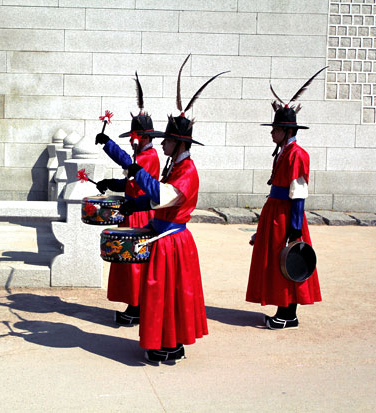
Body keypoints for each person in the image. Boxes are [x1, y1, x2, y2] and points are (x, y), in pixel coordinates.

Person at [98, 58, 227, 364]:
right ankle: (166, 343)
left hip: (171, 239)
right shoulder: (176, 165)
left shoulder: (187, 170)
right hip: (164, 236)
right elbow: (157, 200)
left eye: (167, 139)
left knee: (166, 294)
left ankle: (169, 344)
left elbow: (162, 194)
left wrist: (132, 169)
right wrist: (135, 203)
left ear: (178, 143)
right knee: (162, 294)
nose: (163, 143)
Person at [246, 68, 325, 329]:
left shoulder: (297, 155)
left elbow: (298, 193)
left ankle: (287, 314)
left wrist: (294, 228)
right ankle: (285, 311)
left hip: (286, 215)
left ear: (285, 130)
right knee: (278, 262)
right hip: (275, 212)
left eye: (275, 130)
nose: (271, 133)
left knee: (286, 261)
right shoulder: (283, 152)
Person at [95, 72, 161, 326]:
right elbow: (130, 182)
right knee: (129, 260)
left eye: (135, 136)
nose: (132, 140)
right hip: (132, 210)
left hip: (141, 213)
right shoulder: (144, 155)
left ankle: (137, 307)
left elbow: (130, 166)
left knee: (134, 261)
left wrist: (109, 144)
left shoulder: (149, 157)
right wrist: (110, 183)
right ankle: (134, 305)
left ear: (143, 137)